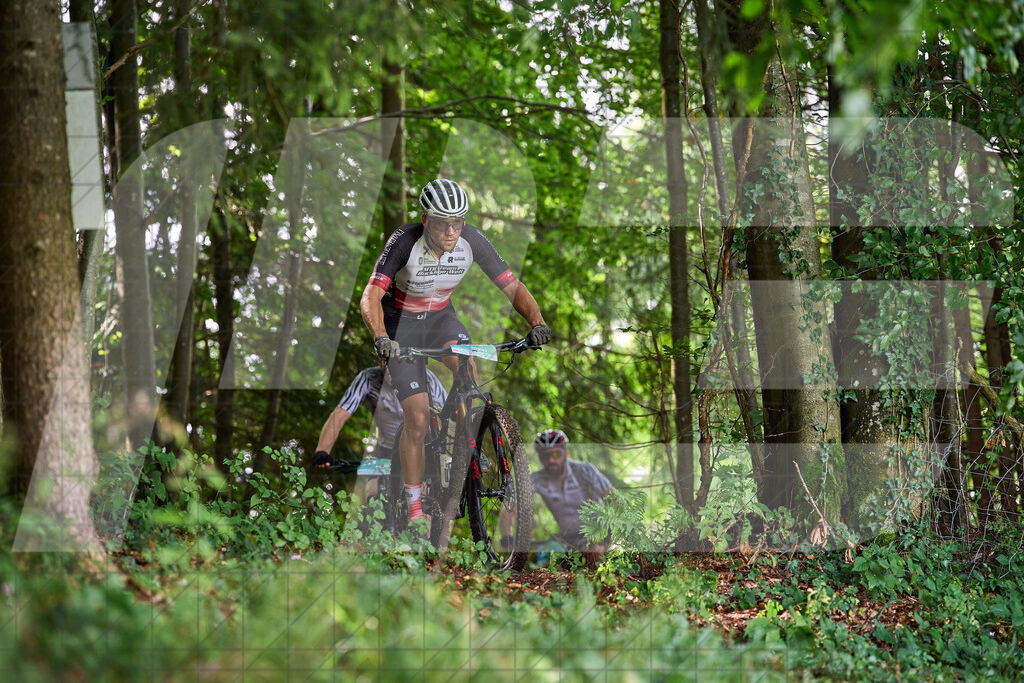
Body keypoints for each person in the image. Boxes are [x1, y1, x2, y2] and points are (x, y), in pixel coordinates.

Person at [360, 178, 551, 523]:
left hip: (440, 318)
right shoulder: (404, 241)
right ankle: (416, 507)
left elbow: (512, 286)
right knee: (417, 417)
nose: (451, 231)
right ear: (425, 220)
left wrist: (536, 323)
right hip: (399, 325)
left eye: (457, 222)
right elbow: (371, 294)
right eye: (442, 222)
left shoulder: (472, 241)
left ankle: (466, 445)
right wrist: (380, 337)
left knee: (468, 369)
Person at [311, 366, 447, 500]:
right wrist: (322, 451)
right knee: (372, 490)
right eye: (383, 358)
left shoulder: (426, 377)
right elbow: (340, 414)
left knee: (424, 497)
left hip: (423, 448)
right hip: (388, 449)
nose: (388, 365)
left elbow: (449, 415)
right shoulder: (369, 378)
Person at [530, 429, 613, 564]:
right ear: (540, 458)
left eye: (556, 454)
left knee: (592, 553)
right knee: (542, 562)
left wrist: (607, 533)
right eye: (545, 456)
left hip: (596, 531)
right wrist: (507, 537)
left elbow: (613, 499)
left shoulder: (585, 470)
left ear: (566, 453)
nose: (551, 460)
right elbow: (512, 506)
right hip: (567, 538)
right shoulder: (536, 479)